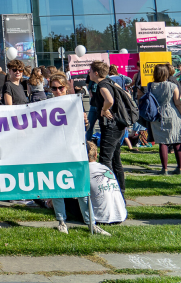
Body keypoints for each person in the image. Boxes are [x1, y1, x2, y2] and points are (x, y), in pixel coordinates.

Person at [44, 73, 110, 235]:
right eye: (54, 88)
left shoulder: (74, 103)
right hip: (56, 151)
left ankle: (91, 223)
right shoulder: (47, 104)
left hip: (74, 150)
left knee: (81, 187)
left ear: (66, 87)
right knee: (57, 188)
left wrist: (85, 122)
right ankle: (61, 221)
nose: (58, 91)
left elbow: (83, 129)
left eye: (61, 87)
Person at [87, 60, 126, 194]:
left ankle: (108, 189)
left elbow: (109, 100)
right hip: (118, 125)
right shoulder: (110, 82)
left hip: (111, 127)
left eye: (90, 71)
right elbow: (124, 94)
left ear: (96, 73)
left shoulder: (102, 85)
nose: (89, 73)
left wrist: (105, 109)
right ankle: (120, 189)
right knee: (116, 159)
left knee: (105, 159)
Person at [148, 64, 181, 175]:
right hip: (173, 114)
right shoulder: (172, 86)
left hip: (158, 115)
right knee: (177, 141)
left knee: (162, 142)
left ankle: (164, 169)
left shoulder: (151, 86)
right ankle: (180, 168)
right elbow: (178, 103)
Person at [87, 141, 127, 225]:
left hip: (100, 218)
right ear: (96, 155)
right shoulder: (105, 168)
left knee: (69, 201)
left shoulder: (84, 170)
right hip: (120, 215)